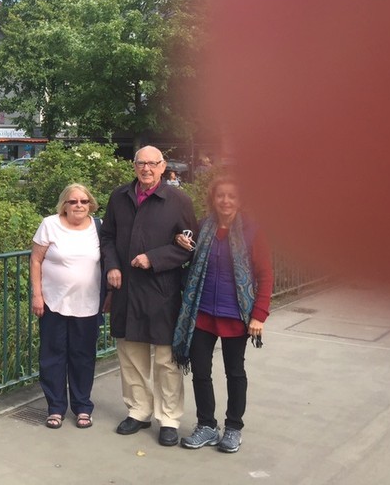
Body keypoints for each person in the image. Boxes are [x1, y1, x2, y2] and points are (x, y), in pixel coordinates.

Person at [99, 146, 196, 446]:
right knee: (130, 355)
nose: (147, 169)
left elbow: (190, 244)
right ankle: (139, 411)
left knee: (166, 361)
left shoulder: (177, 200)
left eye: (153, 164)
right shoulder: (119, 197)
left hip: (162, 291)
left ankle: (168, 418)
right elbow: (108, 237)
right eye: (141, 163)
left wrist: (153, 258)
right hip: (127, 288)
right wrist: (112, 266)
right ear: (134, 166)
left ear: (163, 166)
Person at [172, 174, 273, 454]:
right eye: (220, 196)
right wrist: (182, 244)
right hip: (202, 312)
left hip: (236, 314)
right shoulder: (204, 227)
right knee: (201, 373)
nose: (226, 201)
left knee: (235, 372)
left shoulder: (253, 230)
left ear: (240, 200)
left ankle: (233, 428)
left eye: (232, 196)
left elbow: (265, 275)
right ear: (213, 199)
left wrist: (259, 315)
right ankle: (206, 425)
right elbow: (192, 263)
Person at [30, 183, 104, 429]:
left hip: (88, 303)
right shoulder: (50, 224)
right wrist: (37, 295)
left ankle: (83, 406)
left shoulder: (98, 227)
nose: (79, 205)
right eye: (73, 201)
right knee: (52, 356)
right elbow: (36, 260)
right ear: (64, 204)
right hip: (53, 302)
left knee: (83, 357)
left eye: (83, 201)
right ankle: (55, 407)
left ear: (90, 203)